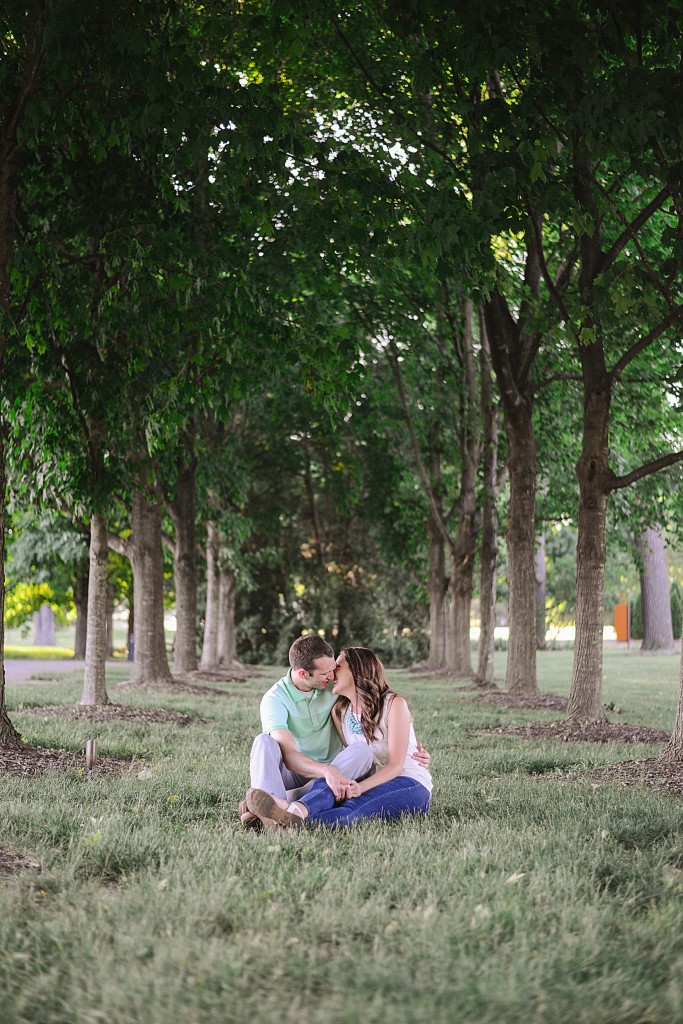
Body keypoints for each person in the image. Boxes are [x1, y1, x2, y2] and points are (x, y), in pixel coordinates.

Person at [245, 646, 432, 830]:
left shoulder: (394, 704)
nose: (332, 674)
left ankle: (287, 813)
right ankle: (277, 810)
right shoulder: (341, 711)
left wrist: (359, 787)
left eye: (337, 667)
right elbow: (354, 756)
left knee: (352, 809)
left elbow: (396, 765)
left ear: (357, 670)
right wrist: (347, 782)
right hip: (362, 780)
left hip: (406, 780)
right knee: (340, 783)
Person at [239, 635, 374, 828]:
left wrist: (407, 742)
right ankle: (275, 814)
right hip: (295, 772)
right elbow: (290, 756)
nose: (332, 676)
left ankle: (272, 805)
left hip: (334, 767)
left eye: (333, 669)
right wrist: (325, 771)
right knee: (263, 741)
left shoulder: (334, 686)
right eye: (324, 673)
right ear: (303, 673)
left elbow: (372, 695)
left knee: (363, 752)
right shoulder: (275, 699)